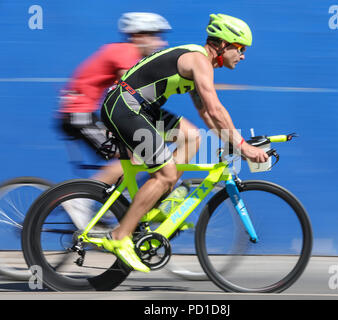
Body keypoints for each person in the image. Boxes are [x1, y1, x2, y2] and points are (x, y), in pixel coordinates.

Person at [99, 13, 269, 272]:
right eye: (241, 48)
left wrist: (231, 142)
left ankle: (162, 196)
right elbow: (215, 109)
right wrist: (244, 147)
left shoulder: (198, 64)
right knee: (165, 173)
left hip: (140, 108)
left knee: (192, 136)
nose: (243, 56)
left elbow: (205, 115)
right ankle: (119, 237)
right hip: (126, 107)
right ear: (223, 44)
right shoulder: (198, 60)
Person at [55, 12, 171, 228]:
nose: (161, 43)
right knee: (131, 156)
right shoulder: (126, 51)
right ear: (139, 35)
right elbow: (131, 92)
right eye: (156, 36)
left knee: (134, 154)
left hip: (81, 112)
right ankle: (80, 201)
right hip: (77, 113)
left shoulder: (123, 51)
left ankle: (109, 204)